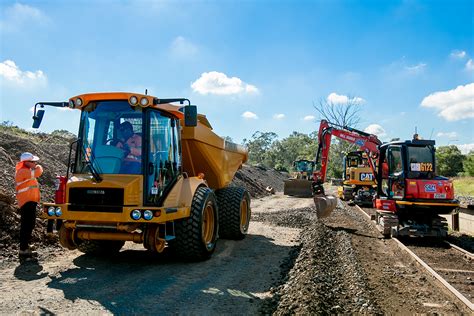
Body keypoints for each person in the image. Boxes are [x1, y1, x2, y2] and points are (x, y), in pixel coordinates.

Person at [15, 152, 43, 258]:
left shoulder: (27, 171)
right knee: (26, 225)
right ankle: (23, 249)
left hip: (30, 202)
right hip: (26, 202)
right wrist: (38, 166)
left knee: (30, 224)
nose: (35, 163)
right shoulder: (23, 172)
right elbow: (39, 171)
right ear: (26, 162)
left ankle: (26, 246)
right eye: (33, 162)